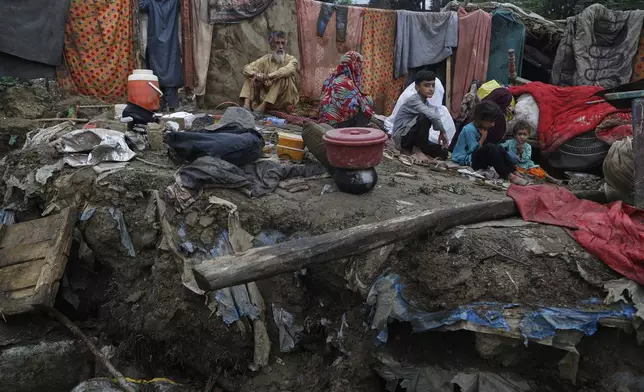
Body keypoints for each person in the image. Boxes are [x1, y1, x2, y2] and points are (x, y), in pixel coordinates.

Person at [452, 101, 527, 185]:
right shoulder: (469, 130)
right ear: (482, 119)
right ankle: (508, 175)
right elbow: (473, 151)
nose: (493, 124)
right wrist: (482, 139)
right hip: (466, 160)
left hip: (474, 158)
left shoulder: (480, 129)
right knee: (490, 148)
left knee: (498, 148)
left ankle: (512, 170)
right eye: (491, 121)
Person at [392, 70, 449, 162]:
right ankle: (417, 150)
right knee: (425, 117)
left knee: (443, 152)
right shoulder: (414, 100)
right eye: (427, 85)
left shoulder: (425, 102)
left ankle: (415, 149)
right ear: (417, 87)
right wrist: (442, 132)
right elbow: (432, 116)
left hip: (411, 137)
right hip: (401, 138)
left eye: (433, 85)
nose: (431, 89)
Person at [240, 31, 299, 115]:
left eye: (283, 43)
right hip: (266, 96)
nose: (281, 46)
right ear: (271, 45)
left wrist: (268, 76)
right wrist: (255, 75)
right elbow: (246, 68)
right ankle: (246, 107)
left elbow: (288, 70)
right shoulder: (265, 59)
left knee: (282, 75)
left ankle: (262, 108)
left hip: (284, 99)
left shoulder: (291, 59)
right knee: (251, 73)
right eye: (277, 43)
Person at [319, 51, 374, 128]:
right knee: (366, 107)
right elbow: (352, 109)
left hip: (324, 120)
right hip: (337, 125)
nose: (360, 68)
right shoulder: (346, 83)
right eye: (358, 64)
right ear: (353, 65)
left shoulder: (330, 78)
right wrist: (368, 101)